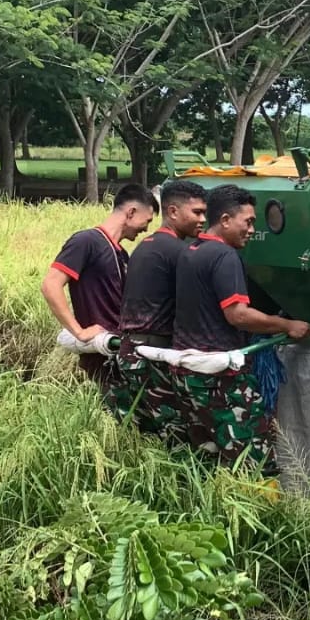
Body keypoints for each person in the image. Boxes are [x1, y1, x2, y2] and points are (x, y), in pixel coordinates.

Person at [170, 184, 310, 474]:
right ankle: (262, 501)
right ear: (225, 220)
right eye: (248, 222)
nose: (251, 230)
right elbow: (238, 315)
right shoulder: (225, 256)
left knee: (211, 455)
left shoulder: (190, 251)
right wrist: (287, 325)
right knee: (255, 457)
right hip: (221, 375)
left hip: (188, 373)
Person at [110, 179, 208, 440]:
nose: (202, 220)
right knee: (177, 433)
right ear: (173, 211)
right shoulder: (181, 252)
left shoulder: (146, 246)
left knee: (144, 432)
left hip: (130, 351)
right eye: (197, 212)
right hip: (153, 355)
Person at [41, 183, 158, 391]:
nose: (146, 229)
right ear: (131, 212)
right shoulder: (86, 241)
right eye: (147, 221)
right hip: (102, 352)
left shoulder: (122, 254)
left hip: (122, 351)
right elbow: (51, 285)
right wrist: (79, 332)